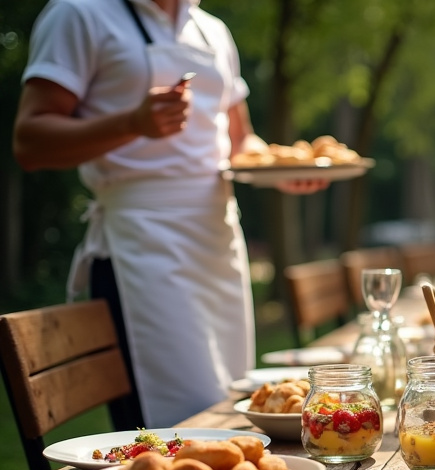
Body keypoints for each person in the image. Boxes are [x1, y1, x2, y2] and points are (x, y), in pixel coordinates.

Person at [12, 0, 325, 429]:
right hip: (141, 243)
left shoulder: (211, 29)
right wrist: (131, 123)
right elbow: (29, 140)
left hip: (218, 239)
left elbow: (240, 140)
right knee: (182, 418)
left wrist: (281, 169)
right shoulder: (79, 13)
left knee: (230, 403)